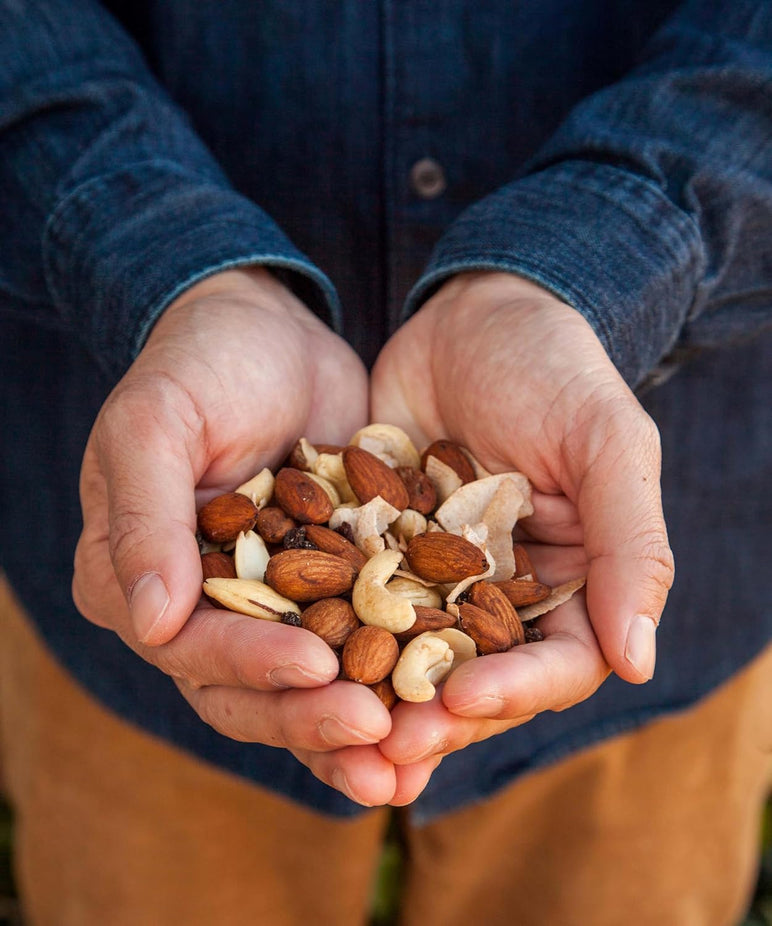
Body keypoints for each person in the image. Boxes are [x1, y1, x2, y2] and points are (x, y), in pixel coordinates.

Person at [0, 1, 770, 923]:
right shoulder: (322, 538)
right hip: (143, 585)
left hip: (674, 549)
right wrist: (165, 261)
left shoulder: (429, 558)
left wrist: (604, 255)